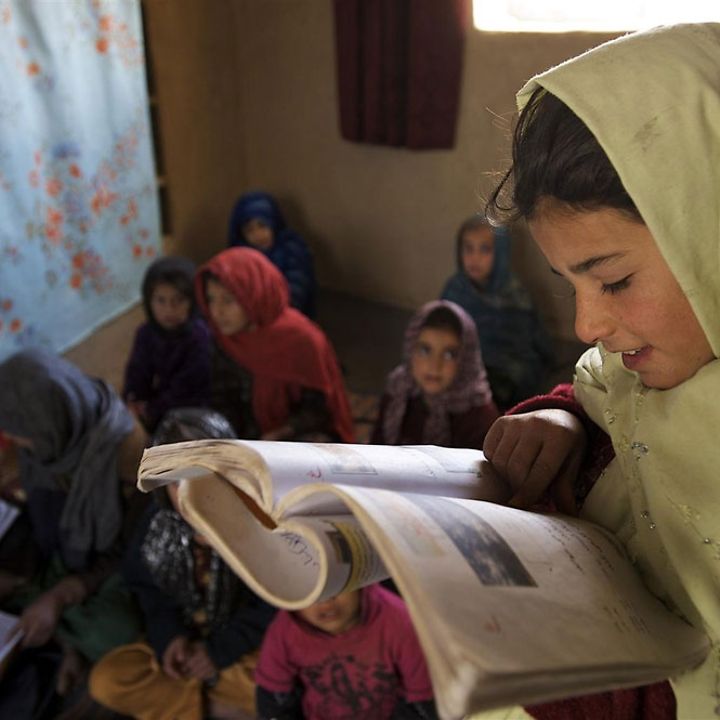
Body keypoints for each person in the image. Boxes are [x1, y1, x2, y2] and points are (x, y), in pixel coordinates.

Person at [481, 22, 720, 720]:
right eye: (569, 285)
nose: (587, 327)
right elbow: (612, 400)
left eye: (612, 280)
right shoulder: (658, 359)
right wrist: (566, 420)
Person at [89, 407, 276, 720]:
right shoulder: (156, 525)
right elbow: (148, 592)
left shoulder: (260, 522)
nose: (191, 493)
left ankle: (191, 706)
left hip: (241, 649)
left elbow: (276, 603)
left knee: (272, 683)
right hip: (187, 649)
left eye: (205, 477)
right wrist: (169, 637)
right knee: (107, 680)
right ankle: (216, 708)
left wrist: (219, 651)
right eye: (178, 482)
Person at [0, 348, 147, 710]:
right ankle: (67, 644)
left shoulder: (127, 451)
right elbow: (44, 518)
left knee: (115, 630)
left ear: (46, 420)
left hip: (113, 565)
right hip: (65, 549)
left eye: (22, 435)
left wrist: (60, 595)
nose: (18, 445)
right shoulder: (52, 439)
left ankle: (67, 641)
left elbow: (131, 548)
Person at [196, 246, 354, 443]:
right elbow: (223, 399)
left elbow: (319, 410)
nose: (216, 311)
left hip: (296, 435)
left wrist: (281, 433)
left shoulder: (302, 339)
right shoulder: (223, 338)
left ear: (253, 296)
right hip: (249, 439)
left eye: (228, 301)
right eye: (211, 299)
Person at [255, 584, 439, 720]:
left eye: (336, 585)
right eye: (310, 590)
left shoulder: (400, 622)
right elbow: (273, 700)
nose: (325, 600)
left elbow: (421, 701)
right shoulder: (285, 630)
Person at [440, 216, 553, 409]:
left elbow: (523, 344)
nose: (474, 258)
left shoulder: (514, 295)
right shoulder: (455, 290)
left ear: (500, 253)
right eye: (468, 248)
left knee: (510, 380)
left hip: (502, 367)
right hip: (462, 359)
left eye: (484, 249)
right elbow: (441, 328)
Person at [371, 300, 499, 449]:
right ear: (410, 349)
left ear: (466, 360)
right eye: (425, 350)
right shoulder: (399, 389)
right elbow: (376, 446)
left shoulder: (479, 416)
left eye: (449, 354)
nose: (434, 365)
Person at [122, 255, 211, 432]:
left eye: (178, 300)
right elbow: (137, 371)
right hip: (159, 402)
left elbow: (187, 388)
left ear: (193, 302)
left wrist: (150, 410)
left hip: (195, 407)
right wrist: (133, 400)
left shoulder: (199, 337)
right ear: (149, 301)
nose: (169, 309)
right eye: (160, 301)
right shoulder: (146, 332)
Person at [228, 190, 317, 317]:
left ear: (274, 223)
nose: (257, 235)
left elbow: (296, 292)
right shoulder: (240, 255)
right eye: (249, 230)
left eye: (262, 225)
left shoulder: (291, 249)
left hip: (288, 319)